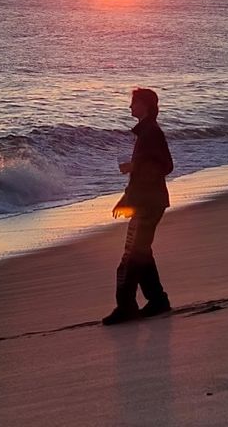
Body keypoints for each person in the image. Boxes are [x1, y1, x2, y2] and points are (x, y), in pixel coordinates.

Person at [102, 88, 174, 326]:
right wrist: (131, 181)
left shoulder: (150, 132)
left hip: (148, 203)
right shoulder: (147, 132)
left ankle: (126, 307)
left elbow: (165, 166)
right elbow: (159, 165)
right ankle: (157, 301)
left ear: (145, 105)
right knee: (141, 253)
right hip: (149, 201)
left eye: (134, 102)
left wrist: (134, 168)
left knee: (131, 257)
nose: (130, 107)